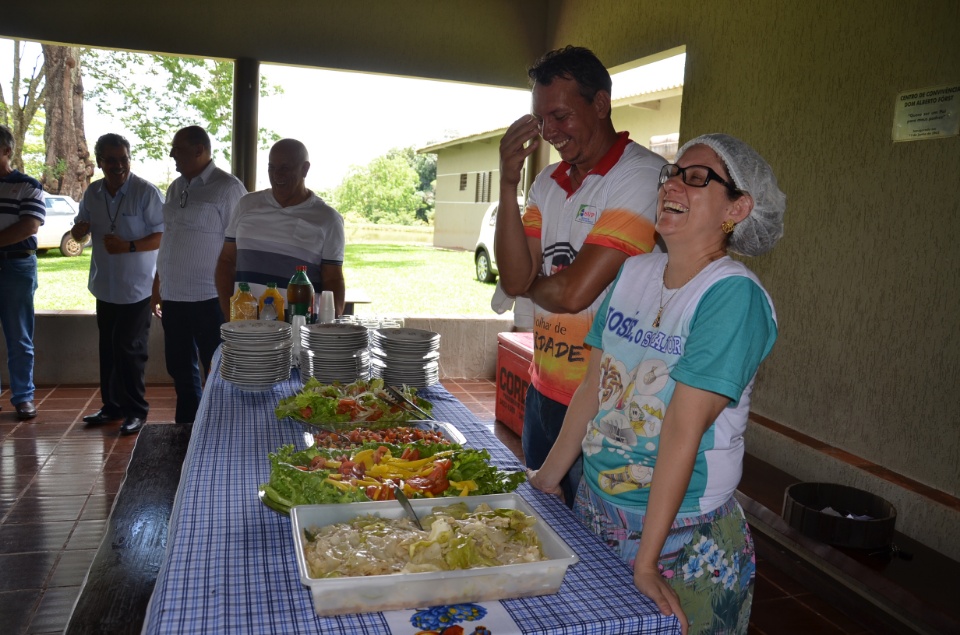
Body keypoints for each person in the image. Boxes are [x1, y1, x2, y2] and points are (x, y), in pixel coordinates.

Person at [529, 133, 786, 634]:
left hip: (679, 531)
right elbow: (592, 392)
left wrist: (646, 563)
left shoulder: (731, 297)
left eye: (697, 178)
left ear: (738, 208)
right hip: (598, 505)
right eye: (672, 173)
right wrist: (547, 476)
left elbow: (683, 430)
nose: (672, 184)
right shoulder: (633, 273)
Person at [495, 45, 665, 505]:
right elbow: (513, 277)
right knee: (540, 524)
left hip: (606, 402)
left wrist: (527, 284)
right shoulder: (548, 181)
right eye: (541, 120)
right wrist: (508, 183)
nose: (550, 132)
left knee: (592, 548)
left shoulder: (642, 176)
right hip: (544, 390)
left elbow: (572, 292)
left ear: (601, 104)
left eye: (561, 117)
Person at [151, 126, 246, 423]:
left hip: (210, 298)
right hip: (174, 297)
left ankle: (222, 426)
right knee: (179, 368)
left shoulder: (228, 188)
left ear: (199, 150)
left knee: (218, 367)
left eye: (177, 149)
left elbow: (241, 244)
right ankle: (188, 427)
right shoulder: (176, 187)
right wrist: (158, 284)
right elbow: (169, 239)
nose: (171, 155)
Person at [73, 134, 164, 436]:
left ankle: (136, 411)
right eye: (111, 160)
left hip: (137, 288)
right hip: (105, 285)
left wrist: (129, 246)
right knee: (109, 349)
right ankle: (111, 407)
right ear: (99, 162)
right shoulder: (93, 193)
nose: (119, 165)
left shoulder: (145, 193)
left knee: (131, 349)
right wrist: (79, 231)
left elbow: (164, 235)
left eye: (123, 158)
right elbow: (79, 233)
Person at [215, 138, 345, 319]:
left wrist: (330, 325)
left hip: (298, 329)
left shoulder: (328, 219)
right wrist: (228, 311)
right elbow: (227, 261)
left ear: (305, 169)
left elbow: (333, 279)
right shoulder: (247, 205)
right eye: (271, 168)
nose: (277, 174)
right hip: (245, 326)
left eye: (285, 168)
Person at [0, 125, 44, 420]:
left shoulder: (27, 185)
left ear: (6, 151)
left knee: (19, 335)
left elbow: (29, 225)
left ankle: (23, 397)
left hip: (16, 265)